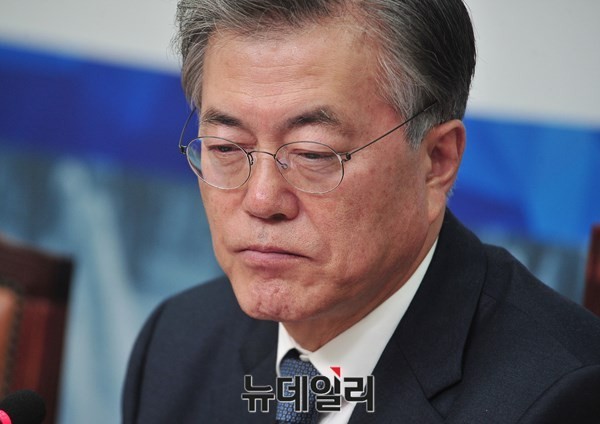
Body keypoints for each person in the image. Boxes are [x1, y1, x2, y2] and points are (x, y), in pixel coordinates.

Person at [122, 0, 600, 422]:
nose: (262, 200)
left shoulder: (560, 398)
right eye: (226, 147)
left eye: (312, 153)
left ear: (436, 162)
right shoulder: (177, 344)